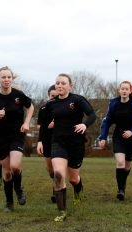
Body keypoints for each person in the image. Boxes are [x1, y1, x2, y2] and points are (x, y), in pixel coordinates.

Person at [38, 73, 96, 222]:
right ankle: (62, 211)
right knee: (58, 173)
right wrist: (40, 141)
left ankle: (78, 191)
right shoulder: (50, 104)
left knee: (73, 178)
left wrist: (84, 124)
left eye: (63, 83)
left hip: (75, 143)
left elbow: (92, 114)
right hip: (57, 142)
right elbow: (44, 127)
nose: (60, 86)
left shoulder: (77, 100)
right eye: (57, 83)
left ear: (70, 86)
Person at [0, 66, 34, 212]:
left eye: (9, 77)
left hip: (16, 135)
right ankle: (9, 203)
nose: (6, 80)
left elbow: (31, 107)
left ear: (12, 78)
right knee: (6, 172)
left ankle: (19, 189)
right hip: (0, 136)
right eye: (3, 77)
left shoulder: (19, 95)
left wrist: (26, 123)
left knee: (15, 166)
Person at [99, 81, 132, 201]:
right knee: (120, 162)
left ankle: (123, 183)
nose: (124, 91)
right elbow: (107, 121)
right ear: (119, 90)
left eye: (127, 89)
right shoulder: (114, 103)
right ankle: (121, 190)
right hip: (118, 137)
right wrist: (103, 137)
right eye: (122, 89)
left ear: (130, 90)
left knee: (126, 166)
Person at [36, 84, 58, 203]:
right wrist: (40, 141)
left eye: (56, 96)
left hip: (60, 140)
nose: (54, 99)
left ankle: (56, 190)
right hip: (47, 140)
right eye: (52, 96)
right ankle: (55, 180)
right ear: (49, 96)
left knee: (57, 166)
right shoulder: (43, 109)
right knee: (51, 169)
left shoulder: (64, 107)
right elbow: (40, 127)